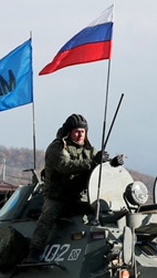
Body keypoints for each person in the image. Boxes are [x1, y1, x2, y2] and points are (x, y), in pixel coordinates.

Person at [24, 113, 123, 264]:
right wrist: (92, 162)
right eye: (76, 131)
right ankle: (34, 251)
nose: (80, 135)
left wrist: (113, 162)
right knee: (48, 216)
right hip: (57, 197)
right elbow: (65, 166)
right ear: (68, 132)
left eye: (82, 132)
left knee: (101, 212)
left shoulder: (89, 150)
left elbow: (101, 163)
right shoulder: (57, 147)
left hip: (78, 197)